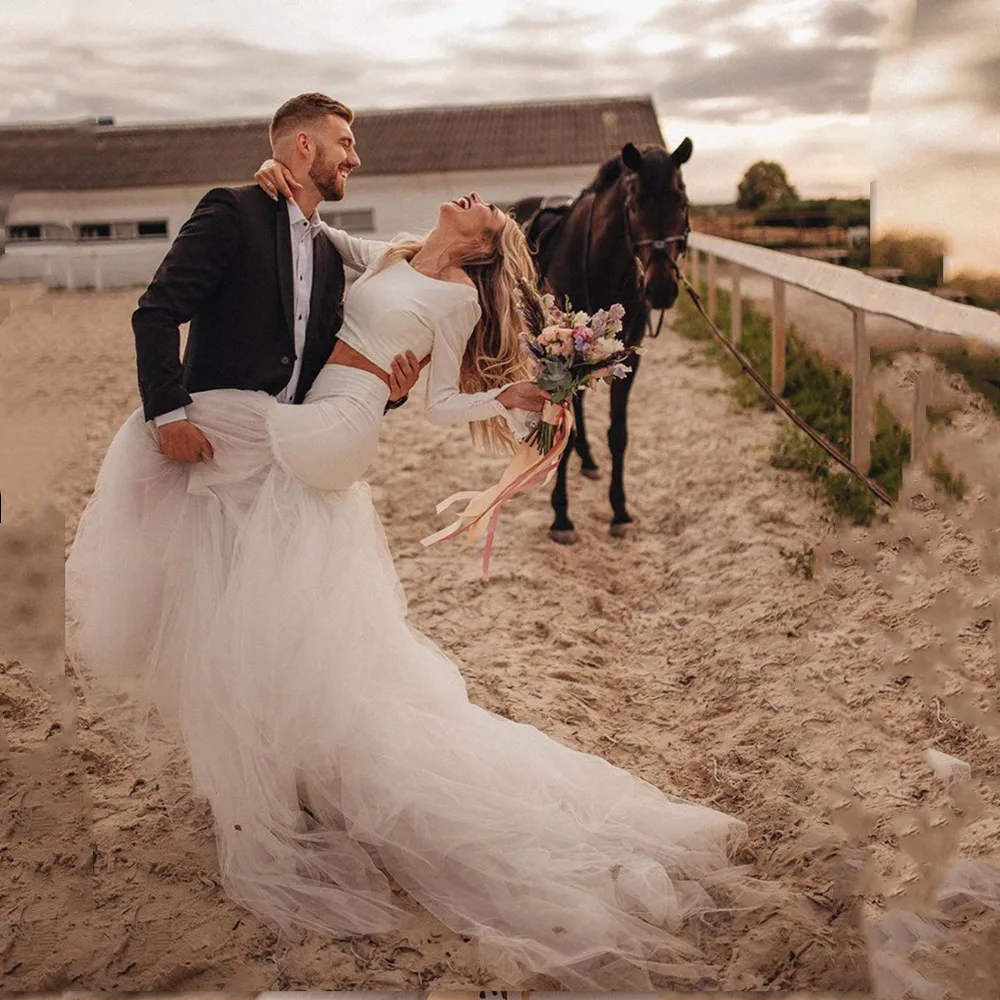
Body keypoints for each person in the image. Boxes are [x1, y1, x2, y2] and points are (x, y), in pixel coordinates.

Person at [65, 103, 754, 992]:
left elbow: (428, 396)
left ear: (480, 247)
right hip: (320, 421)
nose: (474, 199)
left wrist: (505, 404)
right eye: (344, 144)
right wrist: (277, 192)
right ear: (306, 147)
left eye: (489, 216)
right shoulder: (365, 249)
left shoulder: (458, 293)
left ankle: (270, 775)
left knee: (222, 451)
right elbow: (327, 266)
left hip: (330, 431)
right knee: (262, 587)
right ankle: (284, 757)